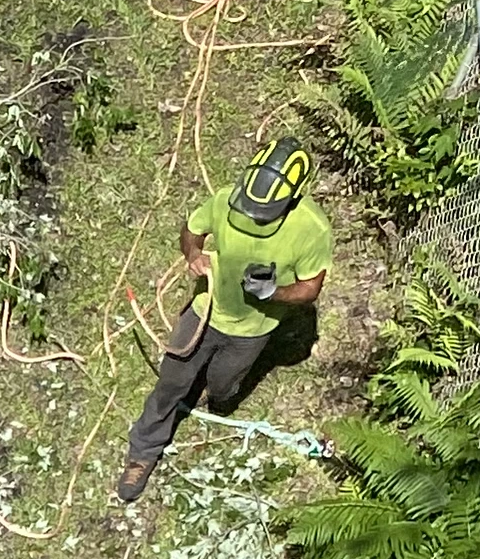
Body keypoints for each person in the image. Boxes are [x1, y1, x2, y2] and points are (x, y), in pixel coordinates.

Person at [116, 137, 333, 503]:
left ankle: (219, 390)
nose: (252, 218)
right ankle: (143, 450)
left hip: (253, 329)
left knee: (222, 388)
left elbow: (310, 288)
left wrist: (273, 293)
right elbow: (192, 229)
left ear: (292, 199)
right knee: (171, 383)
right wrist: (193, 254)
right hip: (206, 310)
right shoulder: (224, 200)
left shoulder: (312, 229)